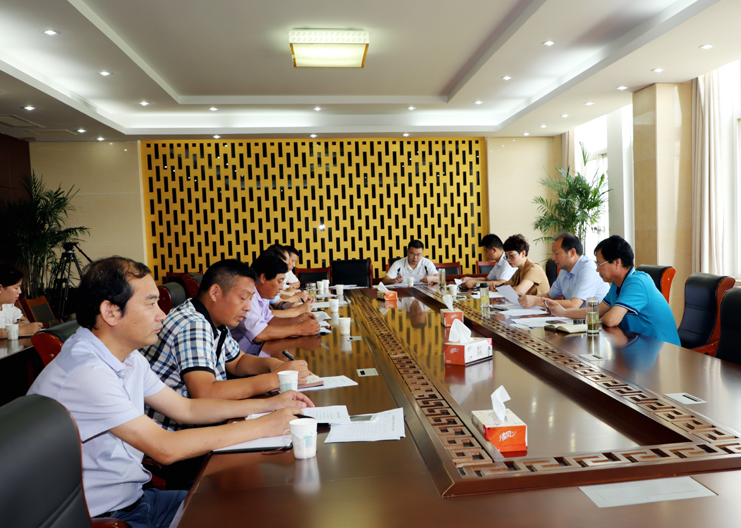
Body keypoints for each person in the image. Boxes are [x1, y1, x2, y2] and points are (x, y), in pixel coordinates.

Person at [28, 257, 313, 528]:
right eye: (150, 303)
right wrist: (265, 425)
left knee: (252, 506)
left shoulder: (127, 356)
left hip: (138, 501)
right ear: (110, 312)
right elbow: (165, 448)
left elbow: (186, 408)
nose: (162, 314)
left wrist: (271, 405)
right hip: (108, 518)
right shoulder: (86, 372)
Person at [142, 258, 312, 432]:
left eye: (250, 299)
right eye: (243, 298)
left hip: (202, 423)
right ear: (215, 293)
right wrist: (274, 379)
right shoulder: (193, 324)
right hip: (171, 432)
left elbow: (238, 361)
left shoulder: (213, 319)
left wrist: (275, 365)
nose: (248, 307)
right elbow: (205, 393)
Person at [545, 235, 681, 345]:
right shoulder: (617, 284)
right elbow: (595, 311)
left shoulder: (637, 282)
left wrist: (599, 318)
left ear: (617, 262)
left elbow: (610, 320)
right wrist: (563, 312)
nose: (597, 270)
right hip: (637, 343)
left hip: (662, 350)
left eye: (600, 264)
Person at [230, 253, 320, 354]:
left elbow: (269, 320)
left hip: (260, 351)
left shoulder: (262, 294)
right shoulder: (249, 296)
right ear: (263, 278)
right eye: (279, 281)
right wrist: (299, 329)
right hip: (245, 357)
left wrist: (297, 320)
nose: (281, 287)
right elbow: (259, 334)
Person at [519, 232, 609, 308]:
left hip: (596, 320)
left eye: (557, 253)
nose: (553, 258)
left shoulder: (588, 269)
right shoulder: (564, 270)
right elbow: (550, 296)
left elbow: (574, 305)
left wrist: (537, 301)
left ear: (572, 252)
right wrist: (526, 298)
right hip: (575, 318)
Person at [0, 264, 43, 339]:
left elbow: (23, 320)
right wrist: (22, 330)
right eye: (16, 288)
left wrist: (21, 324)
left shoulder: (8, 306)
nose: (20, 292)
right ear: (0, 288)